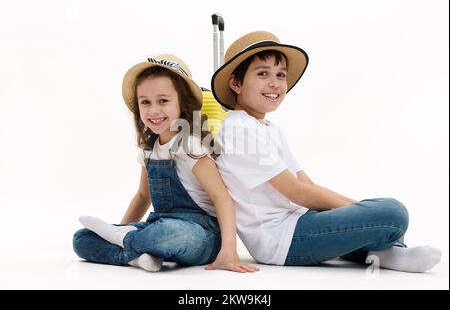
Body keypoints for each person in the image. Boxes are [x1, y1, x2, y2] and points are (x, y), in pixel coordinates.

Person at [210, 31, 441, 272]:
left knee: (378, 217)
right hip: (283, 239)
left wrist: (358, 213)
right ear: (236, 83)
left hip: (300, 222)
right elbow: (298, 192)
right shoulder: (239, 129)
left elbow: (306, 183)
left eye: (281, 75)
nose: (275, 83)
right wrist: (361, 211)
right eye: (263, 74)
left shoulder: (269, 128)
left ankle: (388, 255)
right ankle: (386, 245)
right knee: (393, 212)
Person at [73, 54, 258, 273]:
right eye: (145, 102)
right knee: (81, 239)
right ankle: (136, 256)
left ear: (182, 103)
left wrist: (229, 248)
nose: (153, 110)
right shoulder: (149, 150)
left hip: (200, 235)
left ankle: (127, 242)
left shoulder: (190, 146)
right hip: (158, 225)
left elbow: (222, 197)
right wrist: (122, 228)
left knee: (169, 234)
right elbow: (143, 196)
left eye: (163, 101)